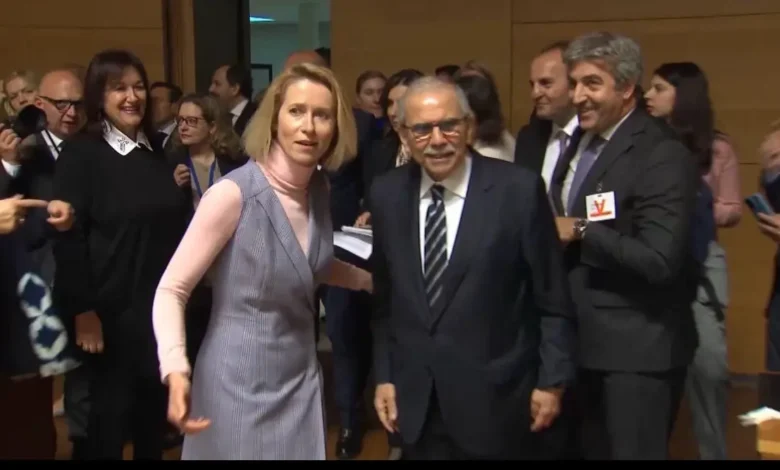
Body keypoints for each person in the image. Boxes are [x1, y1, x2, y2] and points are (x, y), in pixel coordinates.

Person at [152, 63, 372, 460]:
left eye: (322, 115)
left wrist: (369, 281)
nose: (308, 127)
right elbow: (172, 289)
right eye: (296, 111)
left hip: (300, 380)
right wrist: (176, 368)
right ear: (274, 119)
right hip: (236, 385)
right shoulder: (233, 195)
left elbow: (310, 264)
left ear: (336, 128)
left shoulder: (318, 189)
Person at [370, 76, 576, 460]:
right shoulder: (386, 194)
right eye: (422, 129)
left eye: (449, 125)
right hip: (417, 401)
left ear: (469, 127)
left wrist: (552, 382)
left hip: (497, 401)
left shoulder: (517, 191)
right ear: (404, 134)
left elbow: (551, 297)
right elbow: (385, 302)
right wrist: (385, 375)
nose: (437, 140)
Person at [550, 32, 699, 460]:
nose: (578, 96)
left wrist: (581, 229)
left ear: (627, 87)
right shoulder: (581, 140)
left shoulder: (660, 153)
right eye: (574, 83)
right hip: (579, 344)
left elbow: (659, 259)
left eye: (592, 83)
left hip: (637, 354)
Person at [52, 49, 191, 460]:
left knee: (151, 421)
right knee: (106, 426)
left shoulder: (158, 151)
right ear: (99, 96)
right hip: (107, 314)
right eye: (119, 88)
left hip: (156, 309)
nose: (132, 97)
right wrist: (83, 311)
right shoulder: (82, 153)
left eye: (138, 87)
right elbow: (69, 236)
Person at [644, 61, 736, 460]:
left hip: (701, 260)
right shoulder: (642, 141)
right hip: (653, 260)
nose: (648, 95)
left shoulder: (716, 148)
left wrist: (685, 204)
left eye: (659, 88)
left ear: (684, 96)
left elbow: (732, 207)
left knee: (710, 366)